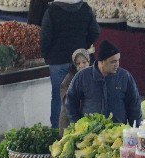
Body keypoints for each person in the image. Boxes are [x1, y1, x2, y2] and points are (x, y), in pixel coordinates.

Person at [40, 0, 100, 129]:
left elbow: (45, 37)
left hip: (58, 61)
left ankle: (57, 132)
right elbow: (95, 32)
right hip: (81, 61)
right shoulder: (85, 8)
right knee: (84, 95)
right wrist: (82, 46)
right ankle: (84, 129)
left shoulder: (52, 11)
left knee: (58, 97)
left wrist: (47, 55)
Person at [66, 40, 143, 125]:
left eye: (118, 60)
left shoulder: (125, 77)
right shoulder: (82, 76)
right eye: (113, 61)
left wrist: (136, 129)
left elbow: (134, 105)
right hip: (90, 133)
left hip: (117, 133)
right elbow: (71, 101)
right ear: (101, 62)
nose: (117, 64)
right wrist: (76, 124)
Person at [59, 48, 91, 135]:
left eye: (84, 62)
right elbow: (67, 102)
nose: (81, 65)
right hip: (69, 123)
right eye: (78, 63)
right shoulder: (68, 80)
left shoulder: (94, 76)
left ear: (89, 62)